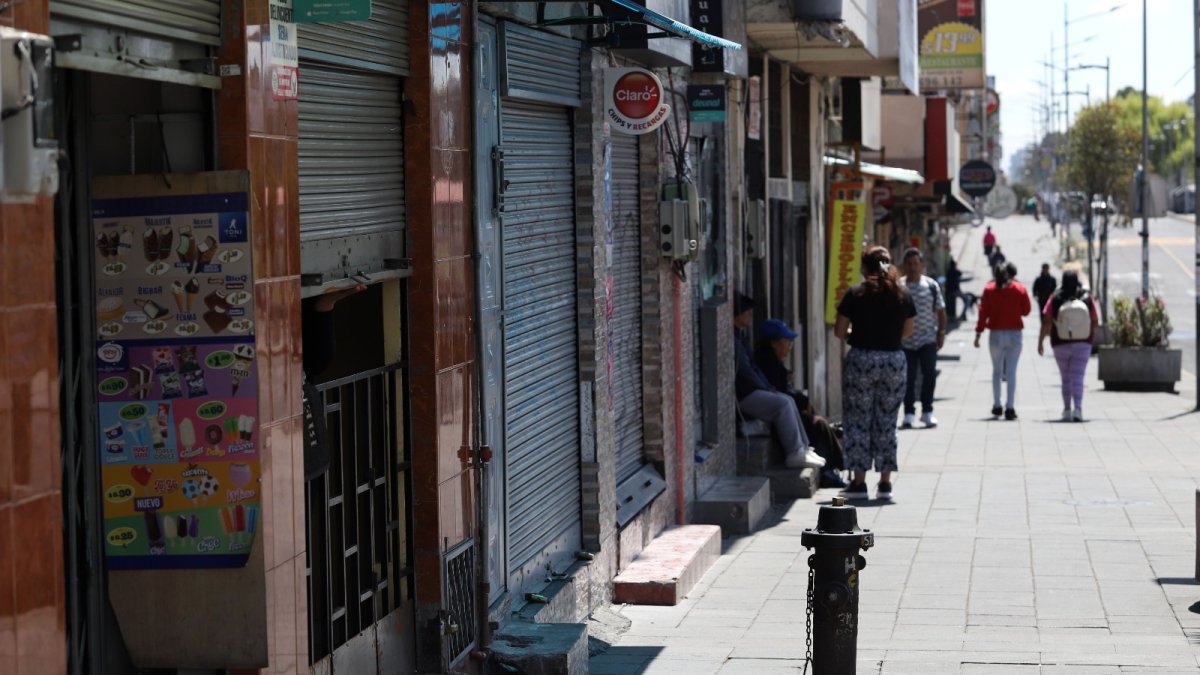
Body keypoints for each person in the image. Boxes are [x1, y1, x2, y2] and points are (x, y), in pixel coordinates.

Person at [833, 246, 916, 501]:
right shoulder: (902, 294)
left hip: (862, 360)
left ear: (864, 267)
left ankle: (858, 484)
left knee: (858, 420)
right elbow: (908, 331)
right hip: (893, 360)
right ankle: (885, 483)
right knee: (887, 421)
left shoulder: (855, 294)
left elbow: (839, 331)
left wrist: (857, 335)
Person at [733, 294, 824, 470]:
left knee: (788, 400)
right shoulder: (735, 341)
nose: (750, 315)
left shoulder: (741, 338)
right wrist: (765, 388)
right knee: (782, 404)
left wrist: (767, 387)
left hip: (756, 390)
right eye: (747, 312)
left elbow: (754, 370)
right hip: (745, 395)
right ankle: (794, 453)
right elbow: (746, 372)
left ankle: (803, 447)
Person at [754, 318, 847, 488]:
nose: (789, 347)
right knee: (818, 424)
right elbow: (777, 392)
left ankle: (830, 468)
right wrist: (803, 401)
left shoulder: (773, 360)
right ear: (774, 342)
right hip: (776, 416)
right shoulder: (766, 362)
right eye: (786, 342)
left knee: (819, 422)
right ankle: (828, 469)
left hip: (787, 410)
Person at [1038, 270, 1098, 421]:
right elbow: (1095, 320)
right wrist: (1091, 337)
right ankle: (1078, 409)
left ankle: (1066, 410)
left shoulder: (1055, 298)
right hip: (1083, 342)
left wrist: (1040, 341)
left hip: (1060, 342)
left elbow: (1046, 320)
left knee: (1065, 378)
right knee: (1078, 376)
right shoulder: (1087, 298)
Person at [974, 262, 1031, 420]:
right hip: (1014, 334)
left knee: (996, 370)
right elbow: (1026, 311)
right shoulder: (1019, 289)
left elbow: (983, 312)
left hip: (996, 334)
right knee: (1011, 371)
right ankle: (1010, 407)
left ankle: (997, 404)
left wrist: (978, 333)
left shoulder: (989, 289)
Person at [899, 248, 947, 429]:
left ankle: (927, 411)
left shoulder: (931, 286)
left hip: (927, 339)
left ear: (921, 265)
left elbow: (941, 312)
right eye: (909, 264)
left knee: (929, 374)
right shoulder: (900, 287)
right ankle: (909, 413)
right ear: (905, 266)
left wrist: (941, 334)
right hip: (905, 342)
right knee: (908, 378)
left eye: (916, 263)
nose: (912, 267)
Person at [944, 258, 963, 322]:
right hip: (954, 291)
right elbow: (960, 273)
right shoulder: (954, 271)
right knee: (966, 300)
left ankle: (951, 316)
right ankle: (962, 315)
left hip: (949, 291)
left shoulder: (948, 271)